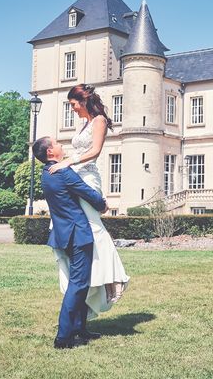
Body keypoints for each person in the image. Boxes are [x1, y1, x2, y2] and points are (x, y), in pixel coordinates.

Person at [48, 84, 130, 319]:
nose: (72, 109)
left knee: (93, 226)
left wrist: (68, 163)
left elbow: (95, 151)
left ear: (83, 101)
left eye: (73, 104)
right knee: (78, 224)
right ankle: (84, 275)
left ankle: (111, 276)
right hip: (75, 177)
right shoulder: (83, 123)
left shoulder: (99, 121)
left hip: (87, 178)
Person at [33, 136, 108, 349]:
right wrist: (102, 204)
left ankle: (79, 329)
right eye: (57, 144)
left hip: (63, 234)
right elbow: (88, 194)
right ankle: (63, 336)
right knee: (78, 284)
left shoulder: (46, 174)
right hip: (77, 233)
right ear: (50, 152)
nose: (61, 146)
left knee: (80, 283)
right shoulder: (63, 172)